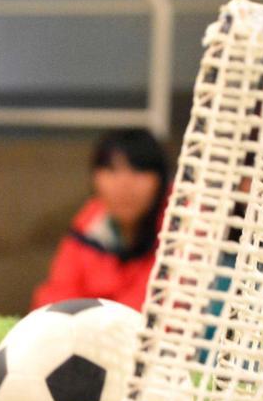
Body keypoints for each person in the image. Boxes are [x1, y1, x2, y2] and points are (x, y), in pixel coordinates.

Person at [31, 129, 171, 311]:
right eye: (112, 170)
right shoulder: (86, 230)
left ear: (161, 180)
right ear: (94, 178)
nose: (124, 183)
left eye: (139, 170)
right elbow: (53, 302)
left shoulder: (185, 234)